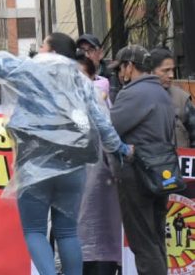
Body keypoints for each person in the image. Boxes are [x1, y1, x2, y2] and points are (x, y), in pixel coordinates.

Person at [0, 28, 130, 275]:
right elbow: (101, 121)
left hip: (34, 163)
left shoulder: (28, 69)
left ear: (53, 51)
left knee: (35, 230)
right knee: (68, 231)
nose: (40, 50)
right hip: (74, 165)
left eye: (44, 46)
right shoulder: (81, 80)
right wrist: (119, 148)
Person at [111, 44, 176, 275]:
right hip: (160, 174)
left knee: (144, 243)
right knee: (156, 239)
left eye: (121, 68)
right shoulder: (162, 92)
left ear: (130, 66)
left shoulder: (133, 93)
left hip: (137, 176)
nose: (119, 74)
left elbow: (109, 129)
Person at [75, 49, 123, 275]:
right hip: (68, 228)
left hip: (100, 221)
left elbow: (117, 162)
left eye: (80, 77)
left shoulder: (103, 117)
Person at [149, 47, 195, 148]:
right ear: (150, 71)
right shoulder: (136, 97)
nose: (171, 75)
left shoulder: (182, 99)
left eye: (172, 70)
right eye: (165, 70)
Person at [77, 34, 119, 98]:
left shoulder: (111, 76)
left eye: (91, 50)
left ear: (101, 53)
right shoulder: (74, 76)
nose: (86, 55)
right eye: (82, 50)